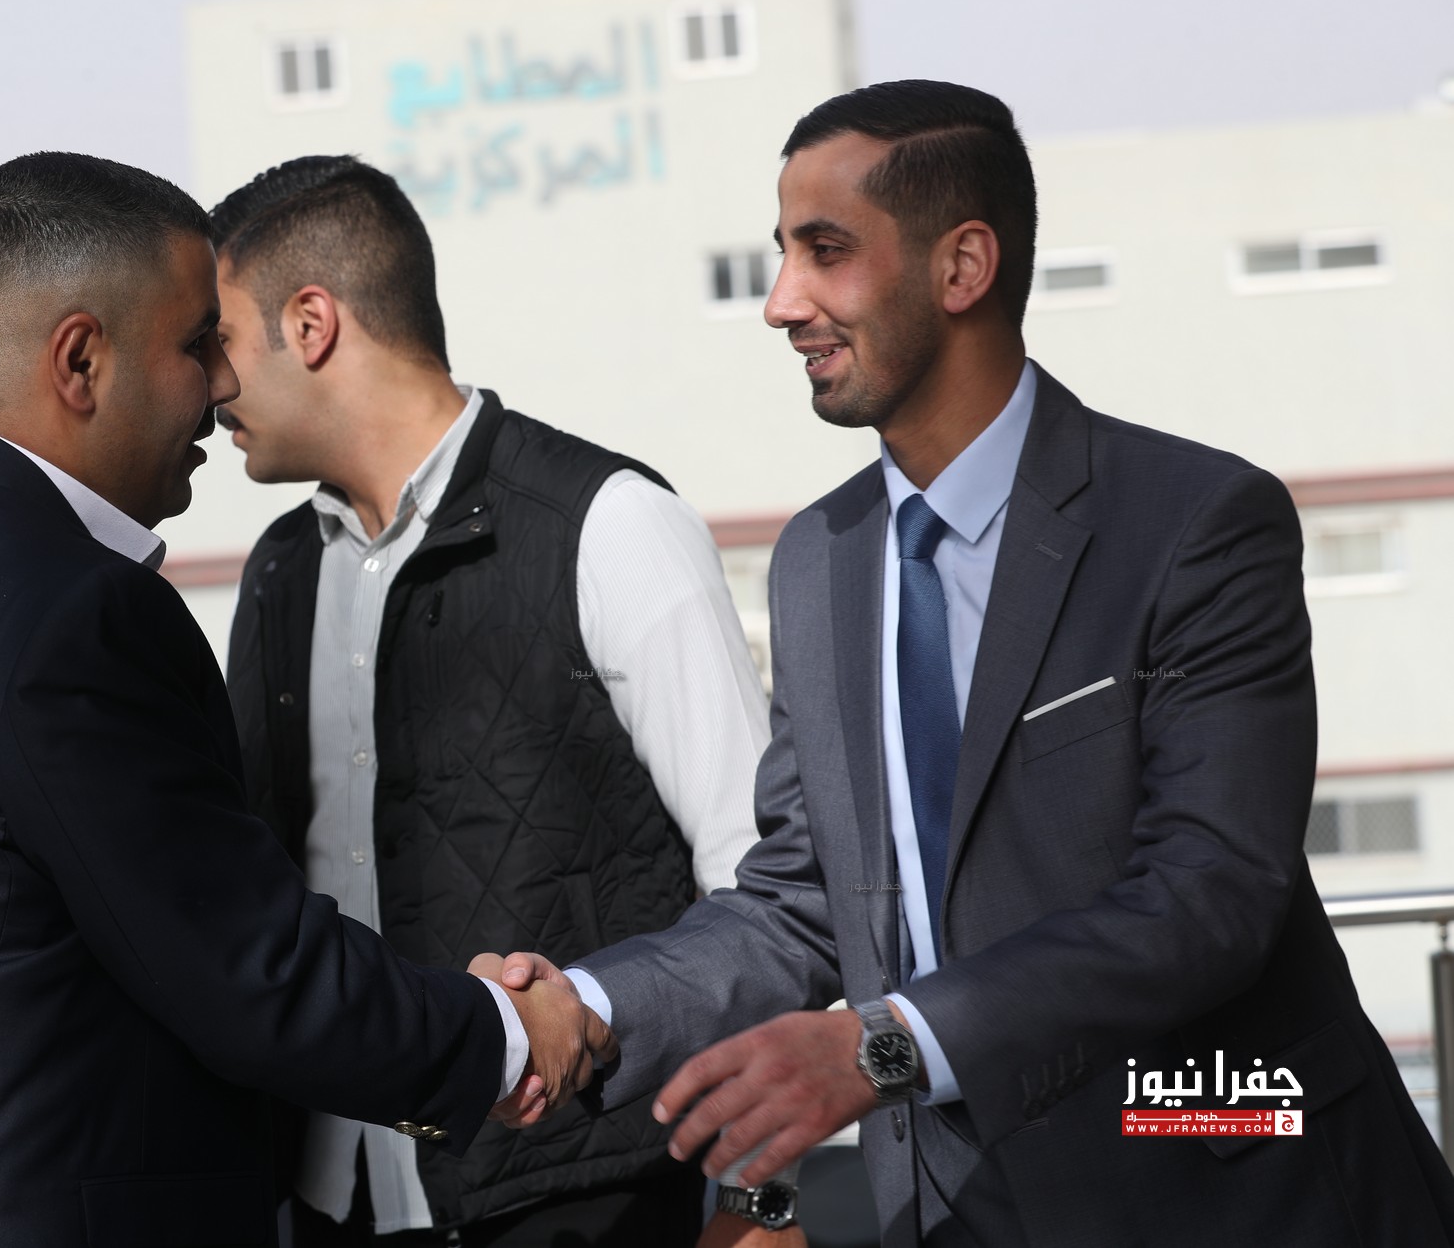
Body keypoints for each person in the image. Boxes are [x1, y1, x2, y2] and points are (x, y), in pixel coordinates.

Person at [498, 80, 1454, 1247]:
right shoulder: (817, 559)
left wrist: (883, 1046)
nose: (782, 301)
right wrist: (588, 1005)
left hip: (1227, 1192)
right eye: (782, 253)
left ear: (962, 267)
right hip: (952, 1210)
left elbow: (1207, 894)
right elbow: (802, 899)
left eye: (825, 251)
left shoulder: (1195, 523)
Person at [0, 152, 611, 1247]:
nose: (224, 383)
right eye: (199, 341)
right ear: (80, 360)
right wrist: (503, 1033)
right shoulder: (75, 612)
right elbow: (244, 967)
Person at [211, 156, 769, 1245]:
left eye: (217, 339)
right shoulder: (282, 570)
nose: (204, 381)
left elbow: (761, 890)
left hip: (583, 1199)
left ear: (312, 324)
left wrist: (759, 1194)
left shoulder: (609, 524)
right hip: (332, 1197)